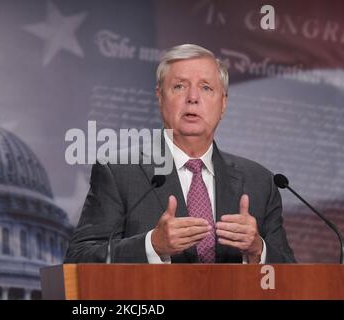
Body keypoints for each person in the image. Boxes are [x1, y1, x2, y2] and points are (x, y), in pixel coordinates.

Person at [64, 44, 295, 264]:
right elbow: (79, 259)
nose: (193, 97)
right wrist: (152, 245)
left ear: (223, 104)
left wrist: (257, 250)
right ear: (160, 97)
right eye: (180, 86)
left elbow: (292, 277)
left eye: (206, 87)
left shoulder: (261, 182)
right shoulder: (118, 171)